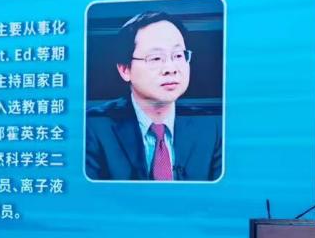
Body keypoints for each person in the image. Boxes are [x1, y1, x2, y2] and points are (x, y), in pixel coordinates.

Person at [85, 11, 222, 182]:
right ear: (125, 69)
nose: (171, 68)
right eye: (156, 58)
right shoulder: (93, 126)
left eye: (178, 55)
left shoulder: (212, 127)